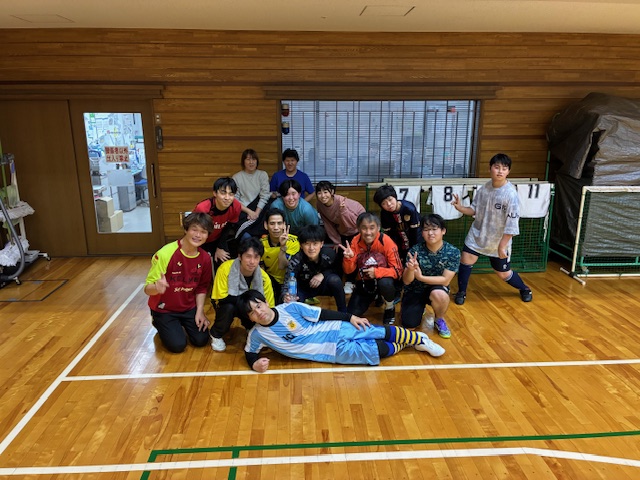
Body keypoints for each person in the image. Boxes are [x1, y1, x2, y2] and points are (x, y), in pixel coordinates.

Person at [238, 290, 445, 372]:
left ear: (265, 302)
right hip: (330, 352)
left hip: (336, 328)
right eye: (252, 313)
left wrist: (350, 317)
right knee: (379, 350)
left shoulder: (290, 308)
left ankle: (419, 339)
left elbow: (323, 314)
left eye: (259, 306)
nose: (259, 312)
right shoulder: (257, 334)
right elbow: (249, 352)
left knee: (378, 331)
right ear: (250, 319)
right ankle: (408, 343)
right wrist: (254, 364)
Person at [451, 152, 533, 305]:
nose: (500, 171)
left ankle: (525, 289)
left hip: (498, 242)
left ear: (508, 171)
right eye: (497, 167)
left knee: (503, 274)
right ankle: (461, 292)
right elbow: (474, 210)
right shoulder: (484, 189)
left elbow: (512, 224)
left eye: (504, 168)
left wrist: (502, 246)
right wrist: (460, 207)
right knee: (465, 260)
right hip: (477, 235)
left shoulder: (511, 194)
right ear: (490, 169)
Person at [143, 212, 214, 353]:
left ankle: (180, 324)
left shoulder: (205, 258)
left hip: (188, 308)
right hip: (164, 309)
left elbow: (201, 288)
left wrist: (200, 311)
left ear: (207, 235)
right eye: (194, 229)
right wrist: (157, 288)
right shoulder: (165, 254)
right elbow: (147, 289)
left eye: (203, 232)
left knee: (201, 340)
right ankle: (159, 322)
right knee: (177, 346)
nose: (198, 235)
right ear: (186, 230)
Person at [209, 237, 275, 352]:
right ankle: (216, 334)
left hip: (250, 308)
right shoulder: (225, 269)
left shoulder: (264, 278)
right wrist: (247, 302)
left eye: (256, 257)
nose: (252, 262)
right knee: (229, 308)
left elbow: (269, 306)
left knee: (258, 309)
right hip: (227, 303)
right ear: (240, 256)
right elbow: (220, 298)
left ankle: (251, 328)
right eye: (248, 256)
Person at [401, 214, 460, 338]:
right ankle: (419, 308)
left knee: (440, 295)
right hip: (415, 290)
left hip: (436, 288)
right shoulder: (414, 251)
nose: (430, 233)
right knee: (409, 326)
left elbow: (445, 280)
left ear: (443, 231)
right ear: (422, 233)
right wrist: (410, 270)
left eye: (434, 229)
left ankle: (439, 319)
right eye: (426, 230)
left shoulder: (453, 252)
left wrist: (421, 277)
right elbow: (406, 281)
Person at [341, 212, 403, 325]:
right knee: (352, 313)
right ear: (358, 229)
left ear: (378, 228)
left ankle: (389, 307)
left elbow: (398, 271)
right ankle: (375, 296)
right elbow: (348, 271)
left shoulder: (387, 241)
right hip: (364, 281)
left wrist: (377, 272)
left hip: (384, 280)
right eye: (364, 228)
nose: (368, 232)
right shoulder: (355, 241)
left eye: (372, 228)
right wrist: (349, 258)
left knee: (385, 284)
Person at [315, 180, 366, 294]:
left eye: (325, 192)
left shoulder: (342, 203)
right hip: (342, 233)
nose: (322, 196)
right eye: (319, 193)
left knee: (352, 255)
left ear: (332, 192)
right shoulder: (320, 205)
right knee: (338, 255)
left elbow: (353, 224)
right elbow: (327, 224)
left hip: (357, 230)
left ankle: (350, 282)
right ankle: (336, 282)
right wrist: (336, 241)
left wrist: (343, 212)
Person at [282, 224, 347, 312]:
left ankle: (343, 312)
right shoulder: (296, 260)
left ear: (322, 244)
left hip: (323, 286)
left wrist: (323, 274)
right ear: (301, 245)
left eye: (315, 244)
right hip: (303, 289)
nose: (311, 248)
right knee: (291, 303)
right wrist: (285, 296)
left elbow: (338, 271)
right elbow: (288, 280)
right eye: (307, 244)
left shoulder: (329, 254)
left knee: (335, 280)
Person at [193, 177, 242, 266]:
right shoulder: (203, 208)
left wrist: (220, 247)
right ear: (215, 193)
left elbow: (228, 227)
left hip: (218, 239)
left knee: (225, 260)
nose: (227, 198)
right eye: (223, 193)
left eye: (231, 194)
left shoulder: (236, 206)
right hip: (199, 239)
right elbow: (195, 231)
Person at [259, 208, 300, 301]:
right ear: (266, 225)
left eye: (279, 223)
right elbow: (261, 271)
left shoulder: (294, 242)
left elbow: (283, 266)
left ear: (284, 225)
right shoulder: (261, 244)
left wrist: (283, 246)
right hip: (271, 280)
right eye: (272, 223)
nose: (276, 227)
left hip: (291, 280)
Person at [373, 184, 421, 262]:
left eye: (390, 200)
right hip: (398, 243)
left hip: (413, 242)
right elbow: (389, 234)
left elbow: (416, 232)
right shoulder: (384, 214)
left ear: (395, 197)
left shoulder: (409, 209)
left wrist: (414, 249)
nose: (389, 204)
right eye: (384, 203)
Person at [232, 148, 272, 239]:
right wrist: (249, 212)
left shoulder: (262, 175)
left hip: (260, 211)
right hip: (243, 212)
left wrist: (256, 213)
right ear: (243, 161)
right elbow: (235, 199)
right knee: (245, 236)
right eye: (248, 159)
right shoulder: (236, 177)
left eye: (253, 159)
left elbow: (265, 196)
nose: (251, 162)